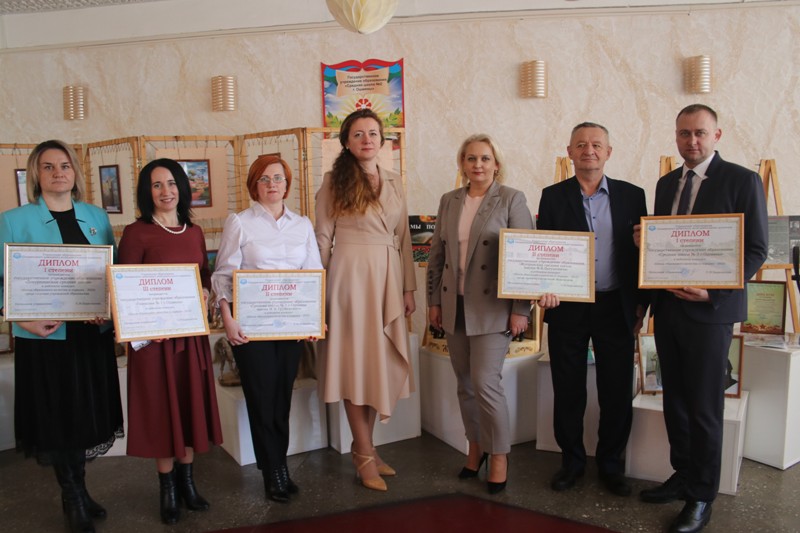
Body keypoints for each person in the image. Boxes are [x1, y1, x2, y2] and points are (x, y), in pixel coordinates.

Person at [636, 104, 767, 533]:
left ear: (717, 135)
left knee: (705, 407)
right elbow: (664, 245)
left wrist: (714, 291)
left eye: (700, 133)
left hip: (710, 312)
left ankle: (701, 496)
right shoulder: (666, 183)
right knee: (673, 398)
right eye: (683, 133)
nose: (691, 141)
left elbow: (756, 249)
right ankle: (684, 473)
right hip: (669, 308)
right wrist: (645, 240)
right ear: (675, 135)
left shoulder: (743, 180)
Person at [0, 140, 123, 533]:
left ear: (75, 172)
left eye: (65, 165)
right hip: (45, 340)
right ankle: (72, 497)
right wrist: (22, 320)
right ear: (36, 175)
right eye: (48, 166)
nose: (58, 173)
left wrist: (109, 308)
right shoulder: (12, 220)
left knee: (84, 416)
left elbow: (113, 273)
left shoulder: (96, 216)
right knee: (58, 417)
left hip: (89, 337)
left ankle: (80, 490)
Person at [536, 123, 648, 497]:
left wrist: (641, 306)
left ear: (608, 152)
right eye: (581, 144)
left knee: (615, 390)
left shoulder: (633, 195)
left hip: (617, 306)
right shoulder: (552, 197)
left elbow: (643, 255)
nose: (589, 150)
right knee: (568, 389)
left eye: (597, 144)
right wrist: (543, 288)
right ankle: (572, 463)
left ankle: (611, 465)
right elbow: (544, 250)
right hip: (568, 307)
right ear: (569, 151)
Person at [426, 133, 534, 495]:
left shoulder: (511, 198)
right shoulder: (449, 200)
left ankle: (499, 455)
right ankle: (475, 447)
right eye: (471, 158)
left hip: (492, 308)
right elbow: (437, 256)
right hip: (453, 305)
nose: (478, 165)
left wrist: (521, 309)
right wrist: (433, 302)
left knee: (486, 384)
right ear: (462, 164)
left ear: (496, 164)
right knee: (465, 384)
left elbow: (525, 257)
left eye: (485, 158)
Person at [315, 109, 416, 492]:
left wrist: (408, 288)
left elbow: (403, 237)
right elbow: (323, 237)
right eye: (358, 134)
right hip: (349, 279)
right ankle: (363, 453)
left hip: (388, 276)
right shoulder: (333, 181)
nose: (367, 139)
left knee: (377, 364)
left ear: (382, 139)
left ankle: (367, 449)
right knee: (354, 365)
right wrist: (316, 293)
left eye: (373, 133)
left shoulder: (394, 179)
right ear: (346, 141)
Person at [211, 155, 323, 503]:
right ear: (254, 185)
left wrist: (314, 319)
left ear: (287, 185)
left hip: (291, 327)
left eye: (278, 178)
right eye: (264, 179)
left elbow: (313, 273)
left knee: (281, 398)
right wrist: (228, 320)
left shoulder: (302, 224)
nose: (272, 184)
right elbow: (222, 276)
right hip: (251, 328)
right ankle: (272, 471)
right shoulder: (240, 222)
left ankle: (280, 465)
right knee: (261, 398)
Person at [118, 158, 223, 525]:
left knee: (189, 405)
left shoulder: (194, 232)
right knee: (162, 411)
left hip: (189, 339)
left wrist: (206, 292)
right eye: (157, 185)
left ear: (182, 187)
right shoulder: (136, 233)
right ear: (147, 192)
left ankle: (188, 484)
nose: (166, 191)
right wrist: (147, 326)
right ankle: (168, 490)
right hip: (154, 344)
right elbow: (125, 287)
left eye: (172, 183)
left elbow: (204, 274)